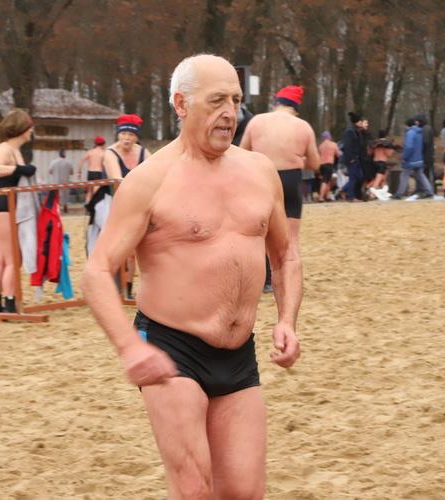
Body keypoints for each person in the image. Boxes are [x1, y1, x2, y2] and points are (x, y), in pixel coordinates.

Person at [81, 54, 302, 499]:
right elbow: (97, 271)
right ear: (181, 104)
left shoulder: (260, 171)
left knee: (244, 492)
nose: (230, 113)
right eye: (217, 100)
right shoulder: (149, 180)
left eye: (235, 100)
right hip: (171, 349)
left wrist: (287, 320)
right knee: (193, 488)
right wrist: (129, 347)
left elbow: (285, 257)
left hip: (239, 353)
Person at [240, 84, 320, 293]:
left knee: (262, 233)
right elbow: (315, 163)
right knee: (291, 238)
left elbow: (242, 153)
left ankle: (266, 281)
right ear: (295, 107)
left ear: (276, 103)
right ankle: (289, 280)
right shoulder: (303, 126)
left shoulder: (256, 122)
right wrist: (297, 159)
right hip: (291, 179)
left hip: (262, 178)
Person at [0, 109, 37, 315]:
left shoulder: (14, 150)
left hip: (3, 207)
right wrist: (18, 170)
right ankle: (9, 301)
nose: (31, 131)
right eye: (29, 127)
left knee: (2, 259)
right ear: (22, 129)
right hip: (3, 208)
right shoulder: (5, 148)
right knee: (14, 259)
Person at [107, 113, 151, 300]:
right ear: (118, 134)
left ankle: (128, 290)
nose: (126, 138)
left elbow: (156, 174)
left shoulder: (143, 153)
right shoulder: (110, 153)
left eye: (131, 135)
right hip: (118, 205)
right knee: (118, 249)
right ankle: (113, 288)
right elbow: (118, 180)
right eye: (123, 134)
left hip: (141, 204)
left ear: (136, 137)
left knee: (135, 252)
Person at [392, 118, 434, 200]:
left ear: (407, 125)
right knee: (420, 175)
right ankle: (429, 191)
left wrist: (404, 157)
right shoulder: (420, 132)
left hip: (410, 159)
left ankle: (399, 193)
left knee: (404, 175)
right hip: (419, 158)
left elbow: (409, 146)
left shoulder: (410, 133)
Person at [340, 112, 368, 201]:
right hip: (351, 159)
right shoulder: (349, 132)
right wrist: (351, 158)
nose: (361, 123)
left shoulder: (356, 131)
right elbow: (347, 146)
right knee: (353, 178)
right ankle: (350, 196)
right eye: (360, 122)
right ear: (356, 122)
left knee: (360, 176)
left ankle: (344, 189)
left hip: (356, 158)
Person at [317, 131, 340, 202]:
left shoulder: (320, 146)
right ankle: (321, 197)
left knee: (328, 180)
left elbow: (319, 155)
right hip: (329, 164)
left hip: (321, 165)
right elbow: (338, 154)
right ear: (330, 137)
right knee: (325, 181)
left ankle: (327, 196)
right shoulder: (333, 144)